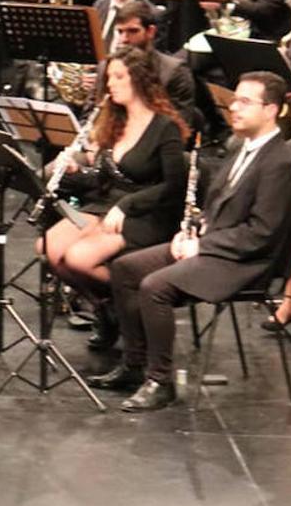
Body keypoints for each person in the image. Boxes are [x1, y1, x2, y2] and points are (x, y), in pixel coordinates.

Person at [98, 71, 291, 411]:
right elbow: (217, 206)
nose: (234, 107)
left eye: (245, 102)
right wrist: (190, 231)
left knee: (154, 287)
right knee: (124, 269)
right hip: (216, 248)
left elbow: (261, 233)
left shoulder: (279, 162)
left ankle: (160, 381)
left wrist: (202, 247)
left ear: (272, 110)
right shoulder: (241, 148)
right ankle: (135, 364)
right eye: (235, 99)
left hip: (244, 264)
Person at [41, 46, 188, 351]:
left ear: (140, 80)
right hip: (107, 204)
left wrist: (126, 205)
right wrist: (74, 172)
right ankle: (105, 307)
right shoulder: (113, 120)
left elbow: (174, 186)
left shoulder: (165, 128)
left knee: (79, 258)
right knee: (49, 248)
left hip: (147, 211)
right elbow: (102, 177)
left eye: (119, 77)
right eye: (109, 77)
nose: (110, 84)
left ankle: (128, 306)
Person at [111, 2, 196, 121]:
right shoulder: (107, 67)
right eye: (120, 32)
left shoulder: (174, 72)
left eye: (133, 31)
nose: (124, 39)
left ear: (150, 32)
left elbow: (180, 127)